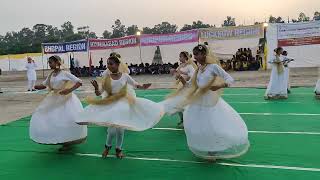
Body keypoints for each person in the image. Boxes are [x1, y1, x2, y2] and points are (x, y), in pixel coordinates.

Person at [76, 54, 164, 159]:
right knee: (111, 130)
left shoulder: (125, 76)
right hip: (111, 104)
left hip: (123, 104)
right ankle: (107, 147)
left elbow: (135, 84)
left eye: (111, 64)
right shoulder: (107, 78)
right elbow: (99, 94)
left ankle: (118, 149)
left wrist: (143, 86)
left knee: (120, 129)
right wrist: (96, 88)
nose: (109, 66)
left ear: (118, 64)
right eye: (108, 64)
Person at [181, 44, 249, 161]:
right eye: (194, 54)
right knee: (200, 125)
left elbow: (229, 79)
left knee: (212, 124)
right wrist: (181, 78)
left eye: (197, 54)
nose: (195, 57)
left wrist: (220, 85)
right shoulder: (198, 69)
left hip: (211, 100)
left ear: (204, 54)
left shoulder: (213, 67)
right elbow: (191, 85)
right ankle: (207, 146)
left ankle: (213, 150)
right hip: (199, 100)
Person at [30, 55, 87, 151]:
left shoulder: (64, 73)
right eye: (49, 62)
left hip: (66, 99)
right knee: (53, 119)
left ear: (57, 63)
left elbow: (79, 82)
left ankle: (67, 141)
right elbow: (45, 85)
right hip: (54, 98)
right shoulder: (51, 74)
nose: (49, 64)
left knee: (66, 119)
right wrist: (35, 86)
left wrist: (69, 90)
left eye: (51, 62)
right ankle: (60, 139)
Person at [160, 51, 196, 128]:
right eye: (179, 56)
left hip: (187, 87)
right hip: (180, 87)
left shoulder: (190, 66)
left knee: (184, 104)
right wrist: (173, 72)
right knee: (177, 103)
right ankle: (183, 119)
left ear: (185, 57)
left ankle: (188, 120)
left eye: (181, 56)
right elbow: (176, 76)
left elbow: (192, 75)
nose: (179, 58)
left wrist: (181, 73)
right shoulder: (180, 66)